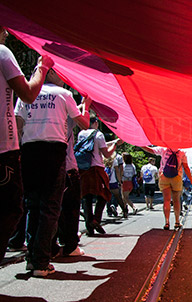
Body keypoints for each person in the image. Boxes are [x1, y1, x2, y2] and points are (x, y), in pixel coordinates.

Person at [15, 67, 90, 276]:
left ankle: (32, 258)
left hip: (29, 149)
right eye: (60, 73)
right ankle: (41, 261)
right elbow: (84, 124)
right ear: (49, 73)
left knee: (33, 206)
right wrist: (87, 107)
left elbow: (18, 123)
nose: (64, 78)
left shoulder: (26, 92)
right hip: (53, 151)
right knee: (50, 207)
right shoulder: (63, 95)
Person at [0, 26, 53, 263]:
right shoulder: (2, 52)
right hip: (3, 148)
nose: (7, 34)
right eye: (3, 28)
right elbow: (28, 94)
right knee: (11, 209)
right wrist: (43, 67)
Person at [79, 116, 123, 236]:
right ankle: (96, 220)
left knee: (86, 197)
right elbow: (107, 154)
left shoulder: (81, 133)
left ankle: (89, 225)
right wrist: (115, 145)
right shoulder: (98, 134)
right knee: (104, 194)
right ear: (96, 123)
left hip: (84, 169)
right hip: (96, 168)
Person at [141, 146, 192, 230]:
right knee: (176, 200)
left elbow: (150, 150)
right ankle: (177, 221)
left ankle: (167, 222)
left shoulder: (163, 149)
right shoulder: (182, 152)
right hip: (177, 177)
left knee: (166, 200)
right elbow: (186, 168)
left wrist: (140, 143)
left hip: (164, 177)